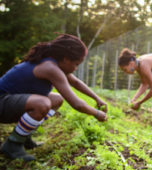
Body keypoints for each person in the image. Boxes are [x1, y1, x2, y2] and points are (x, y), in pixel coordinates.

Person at [0, 34, 108, 162]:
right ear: (66, 59)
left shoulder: (53, 63)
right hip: (2, 102)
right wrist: (97, 113)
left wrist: (97, 98)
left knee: (56, 100)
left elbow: (76, 83)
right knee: (42, 103)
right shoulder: (50, 68)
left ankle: (23, 136)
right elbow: (76, 103)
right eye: (76, 64)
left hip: (9, 102)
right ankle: (13, 144)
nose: (76, 68)